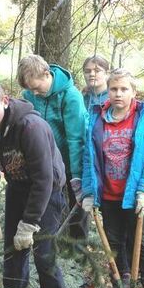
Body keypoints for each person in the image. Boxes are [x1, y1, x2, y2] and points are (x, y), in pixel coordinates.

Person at [0, 79, 69, 288]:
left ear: (4, 101)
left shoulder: (31, 127)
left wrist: (29, 223)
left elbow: (44, 179)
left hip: (47, 193)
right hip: (16, 188)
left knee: (44, 257)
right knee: (13, 252)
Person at [80, 68, 144, 288]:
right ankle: (121, 286)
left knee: (143, 243)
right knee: (115, 241)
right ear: (107, 92)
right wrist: (88, 191)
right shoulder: (97, 119)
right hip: (108, 194)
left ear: (133, 92)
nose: (118, 94)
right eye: (114, 89)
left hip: (137, 195)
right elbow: (89, 158)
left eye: (124, 89)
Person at [16, 54, 88, 241]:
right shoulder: (30, 95)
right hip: (42, 161)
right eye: (31, 90)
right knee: (45, 201)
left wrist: (77, 174)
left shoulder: (71, 96)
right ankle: (45, 240)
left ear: (47, 74)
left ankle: (77, 246)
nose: (35, 93)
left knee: (76, 204)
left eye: (37, 88)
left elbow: (75, 138)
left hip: (68, 159)